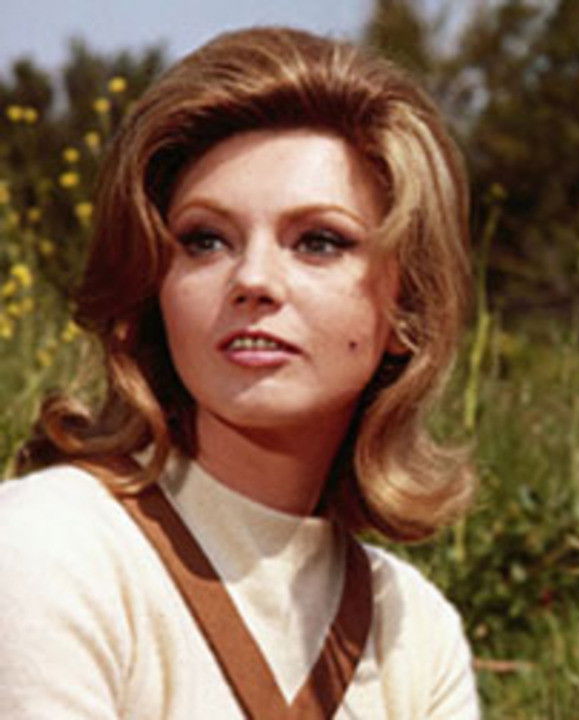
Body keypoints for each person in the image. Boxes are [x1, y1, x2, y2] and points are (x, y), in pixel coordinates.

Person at [0, 28, 479, 718]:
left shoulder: (413, 632)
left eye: (319, 242)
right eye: (205, 240)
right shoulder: (49, 548)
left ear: (407, 307)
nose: (253, 279)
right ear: (153, 290)